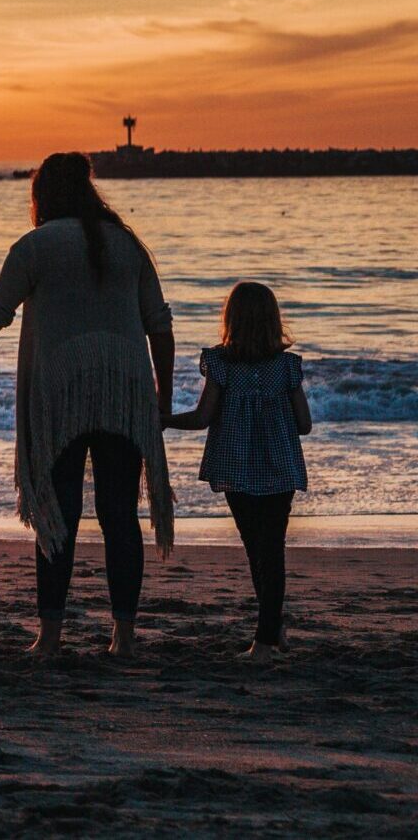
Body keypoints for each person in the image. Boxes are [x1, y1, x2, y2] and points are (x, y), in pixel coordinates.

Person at [0, 151, 173, 658]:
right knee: (119, 515)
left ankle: (49, 636)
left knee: (56, 510)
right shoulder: (127, 245)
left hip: (59, 395)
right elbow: (160, 325)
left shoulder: (35, 247)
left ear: (42, 195)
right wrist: (162, 398)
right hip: (124, 391)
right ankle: (124, 636)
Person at [166, 282, 311, 660]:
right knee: (271, 549)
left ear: (231, 320)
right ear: (273, 320)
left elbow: (202, 418)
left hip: (236, 468)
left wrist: (165, 419)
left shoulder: (221, 364)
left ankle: (265, 641)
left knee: (256, 549)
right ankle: (273, 629)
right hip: (279, 468)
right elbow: (305, 424)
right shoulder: (287, 367)